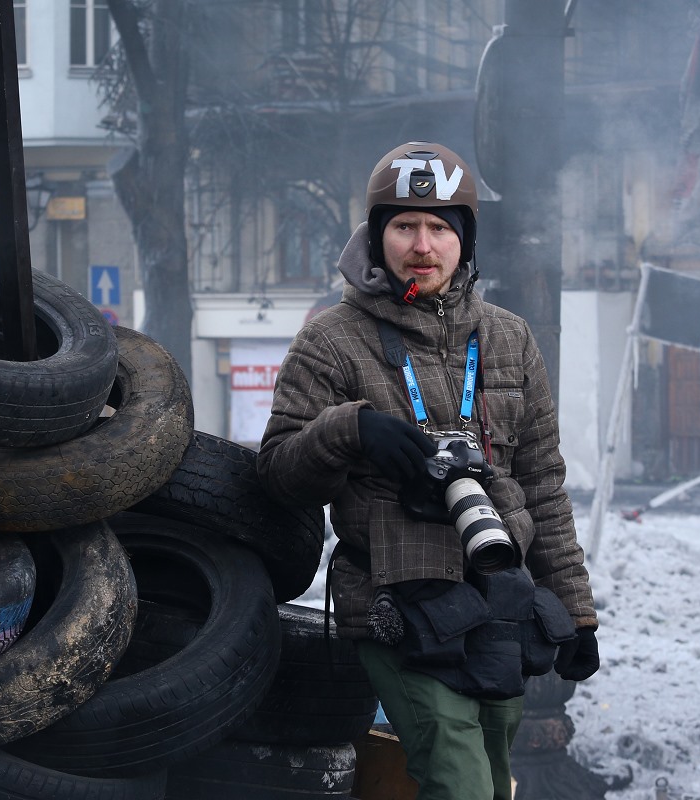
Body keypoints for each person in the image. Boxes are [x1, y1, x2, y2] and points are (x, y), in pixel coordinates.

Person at [256, 141, 600, 800]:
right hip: (394, 604)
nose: (422, 243)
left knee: (496, 783)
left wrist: (579, 614)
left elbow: (544, 486)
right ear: (376, 233)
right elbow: (276, 475)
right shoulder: (330, 339)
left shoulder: (509, 338)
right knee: (461, 783)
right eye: (404, 225)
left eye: (441, 227)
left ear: (464, 240)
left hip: (501, 603)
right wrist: (348, 430)